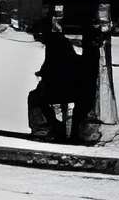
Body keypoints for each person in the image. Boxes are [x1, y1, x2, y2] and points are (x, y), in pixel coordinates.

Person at [27, 8, 88, 141]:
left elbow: (50, 67)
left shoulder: (54, 44)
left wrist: (42, 73)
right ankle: (55, 126)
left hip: (60, 89)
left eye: (38, 35)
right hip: (72, 88)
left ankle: (43, 128)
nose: (37, 38)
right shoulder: (61, 42)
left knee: (34, 98)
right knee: (41, 96)